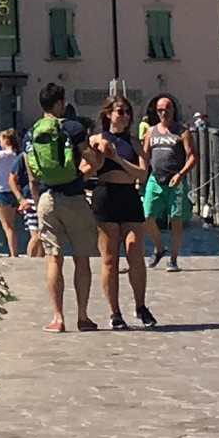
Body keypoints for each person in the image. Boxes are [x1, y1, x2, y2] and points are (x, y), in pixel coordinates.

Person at [27, 82, 100, 332]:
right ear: (59, 103)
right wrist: (97, 161)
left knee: (53, 259)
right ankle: (83, 316)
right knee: (82, 259)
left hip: (47, 199)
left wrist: (37, 201)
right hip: (74, 196)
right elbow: (91, 158)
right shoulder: (73, 128)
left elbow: (31, 175)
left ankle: (58, 318)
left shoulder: (32, 132)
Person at [83, 94, 154, 327]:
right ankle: (115, 312)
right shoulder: (97, 139)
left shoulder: (133, 142)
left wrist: (119, 159)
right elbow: (85, 169)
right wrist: (99, 155)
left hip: (129, 196)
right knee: (110, 258)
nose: (124, 116)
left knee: (135, 252)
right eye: (119, 111)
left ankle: (140, 306)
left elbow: (143, 173)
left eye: (127, 112)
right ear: (108, 114)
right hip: (106, 196)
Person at [139, 94, 197, 272]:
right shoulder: (151, 131)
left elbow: (192, 156)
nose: (164, 113)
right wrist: (139, 177)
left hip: (175, 181)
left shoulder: (182, 131)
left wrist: (181, 174)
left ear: (173, 110)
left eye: (167, 109)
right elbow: (145, 155)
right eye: (160, 110)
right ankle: (159, 247)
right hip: (155, 179)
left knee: (176, 221)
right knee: (147, 216)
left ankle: (173, 259)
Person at [0, 127, 30, 255]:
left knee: (7, 226)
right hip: (13, 191)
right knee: (12, 225)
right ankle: (14, 252)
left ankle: (13, 253)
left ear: (5, 140)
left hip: (1, 191)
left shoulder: (2, 154)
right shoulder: (16, 155)